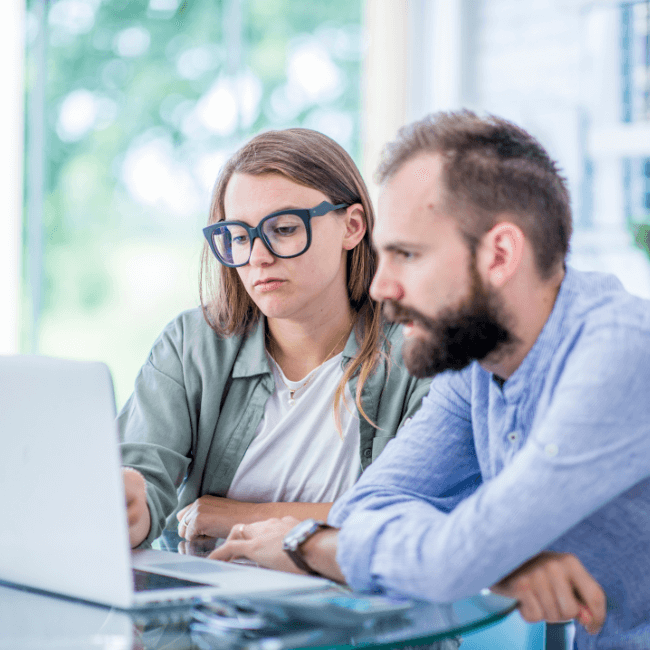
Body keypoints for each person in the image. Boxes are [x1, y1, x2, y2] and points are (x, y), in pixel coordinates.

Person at [210, 111, 650, 648]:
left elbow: (448, 559)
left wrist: (306, 541)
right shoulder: (478, 362)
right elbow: (368, 508)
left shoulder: (621, 353)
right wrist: (484, 556)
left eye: (407, 255)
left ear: (500, 254)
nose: (380, 287)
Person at [120, 128, 432, 550]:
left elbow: (415, 514)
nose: (258, 257)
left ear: (352, 226)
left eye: (284, 229)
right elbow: (143, 485)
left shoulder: (418, 348)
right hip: (214, 608)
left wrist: (234, 516)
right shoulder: (192, 344)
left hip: (353, 608)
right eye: (240, 237)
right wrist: (130, 508)